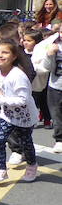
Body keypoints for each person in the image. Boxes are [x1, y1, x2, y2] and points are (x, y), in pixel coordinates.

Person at [0, 41, 39, 183]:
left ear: (14, 56)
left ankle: (32, 165)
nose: (0, 55)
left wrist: (2, 100)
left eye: (5, 52)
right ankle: (1, 169)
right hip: (7, 115)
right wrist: (2, 100)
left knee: (26, 143)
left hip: (25, 117)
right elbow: (1, 92)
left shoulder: (18, 76)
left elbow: (23, 100)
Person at [31, 23, 62, 153]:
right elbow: (45, 68)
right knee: (57, 115)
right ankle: (59, 140)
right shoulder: (53, 45)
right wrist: (49, 54)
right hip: (55, 86)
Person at [22, 29, 52, 128]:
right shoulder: (22, 53)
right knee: (32, 101)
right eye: (24, 40)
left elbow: (45, 66)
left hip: (41, 80)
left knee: (44, 101)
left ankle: (47, 119)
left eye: (29, 41)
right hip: (28, 82)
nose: (25, 43)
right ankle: (32, 119)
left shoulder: (41, 52)